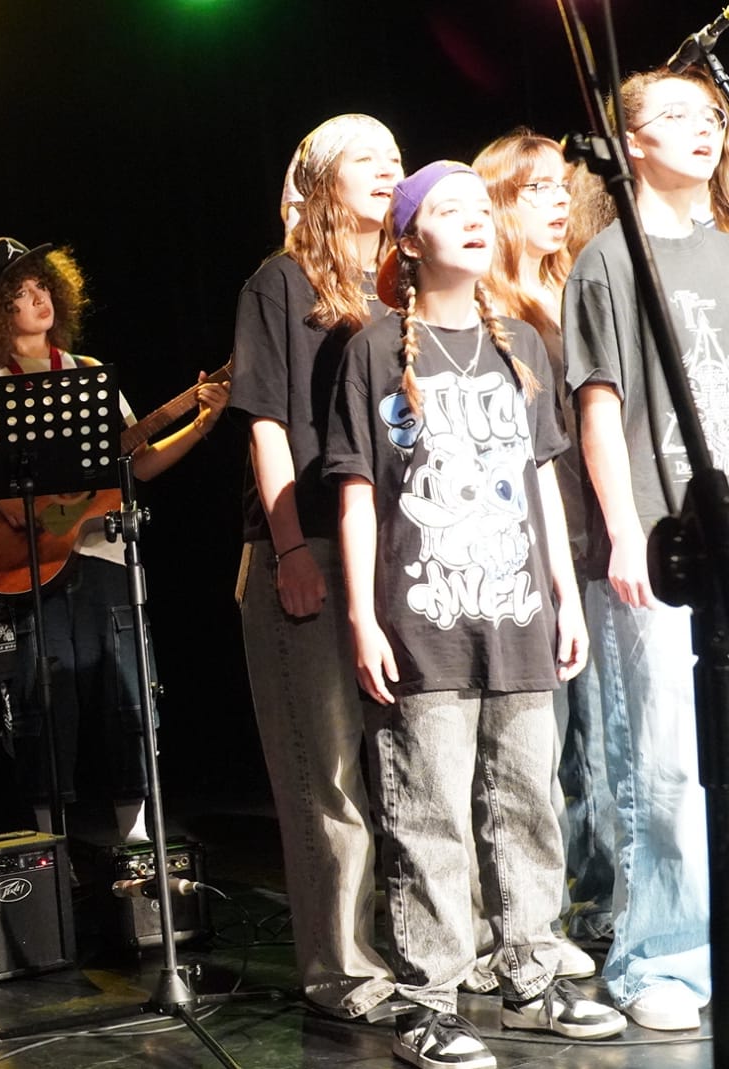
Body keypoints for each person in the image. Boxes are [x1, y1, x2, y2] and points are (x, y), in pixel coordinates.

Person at [326, 161, 627, 1069]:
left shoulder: (521, 346)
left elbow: (541, 483)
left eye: (477, 208)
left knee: (529, 800)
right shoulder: (373, 349)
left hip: (519, 610)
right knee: (430, 812)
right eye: (446, 209)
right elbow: (356, 492)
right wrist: (361, 616)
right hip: (424, 619)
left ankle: (532, 972)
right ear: (410, 239)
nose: (472, 221)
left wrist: (565, 596)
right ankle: (430, 999)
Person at [0, 237, 228, 844]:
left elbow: (138, 463)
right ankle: (48, 848)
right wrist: (1, 494)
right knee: (40, 704)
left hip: (103, 554)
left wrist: (202, 422)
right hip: (26, 565)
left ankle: (136, 846)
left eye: (42, 286)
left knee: (125, 698)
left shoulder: (87, 374)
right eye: (21, 292)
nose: (39, 298)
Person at [227, 113, 409, 1024]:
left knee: (407, 764)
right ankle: (344, 968)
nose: (389, 169)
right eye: (367, 158)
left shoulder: (407, 285)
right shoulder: (281, 280)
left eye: (396, 158)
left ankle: (424, 948)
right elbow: (266, 421)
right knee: (326, 767)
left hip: (397, 547)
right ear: (323, 179)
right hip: (308, 546)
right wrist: (291, 546)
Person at [561, 66, 728, 1032]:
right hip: (660, 543)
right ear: (630, 144)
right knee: (661, 760)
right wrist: (624, 530)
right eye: (675, 115)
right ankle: (659, 955)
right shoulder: (608, 262)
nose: (703, 129)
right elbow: (599, 405)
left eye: (712, 115)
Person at [473, 129, 609, 972]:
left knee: (598, 740)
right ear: (498, 201)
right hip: (526, 542)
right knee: (538, 744)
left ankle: (595, 905)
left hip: (595, 534)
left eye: (562, 185)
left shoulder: (576, 285)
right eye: (537, 189)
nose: (559, 201)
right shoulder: (489, 305)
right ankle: (527, 921)